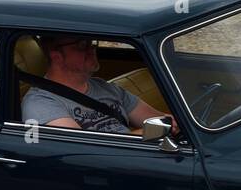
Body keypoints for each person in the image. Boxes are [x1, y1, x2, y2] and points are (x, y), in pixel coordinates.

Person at [22, 36, 179, 135]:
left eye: (92, 42)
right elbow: (84, 148)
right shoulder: (40, 103)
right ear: (56, 56)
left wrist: (173, 124)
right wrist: (156, 130)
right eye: (82, 45)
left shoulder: (104, 87)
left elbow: (159, 119)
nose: (92, 49)